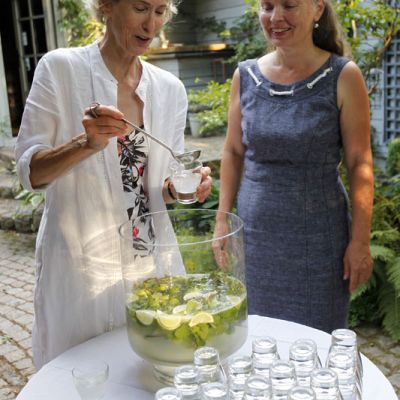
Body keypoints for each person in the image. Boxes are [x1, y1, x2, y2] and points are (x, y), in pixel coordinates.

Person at [15, 0, 212, 369]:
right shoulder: (61, 69)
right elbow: (30, 173)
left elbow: (153, 187)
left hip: (151, 269)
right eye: (140, 8)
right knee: (81, 378)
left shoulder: (170, 89)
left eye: (160, 11)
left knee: (154, 373)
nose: (151, 25)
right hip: (81, 273)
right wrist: (86, 144)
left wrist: (181, 188)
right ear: (106, 5)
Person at [214, 0, 374, 333]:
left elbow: (360, 163)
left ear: (317, 9)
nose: (276, 17)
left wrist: (360, 241)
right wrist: (222, 220)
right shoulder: (245, 76)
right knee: (260, 338)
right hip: (256, 238)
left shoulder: (343, 76)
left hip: (319, 244)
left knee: (316, 342)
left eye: (289, 5)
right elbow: (232, 151)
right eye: (267, 6)